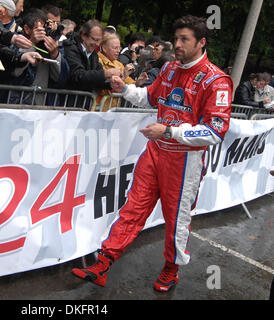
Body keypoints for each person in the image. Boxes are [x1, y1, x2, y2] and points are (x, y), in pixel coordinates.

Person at [72, 15, 233, 292]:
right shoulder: (170, 68)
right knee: (133, 208)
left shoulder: (216, 80)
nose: (178, 45)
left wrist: (170, 132)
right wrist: (125, 90)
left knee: (176, 218)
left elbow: (215, 132)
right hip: (155, 151)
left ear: (201, 42)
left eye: (185, 40)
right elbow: (149, 97)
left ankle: (171, 269)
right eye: (177, 38)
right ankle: (104, 263)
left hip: (184, 161)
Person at [63, 19, 121, 109]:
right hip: (66, 106)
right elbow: (78, 75)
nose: (97, 44)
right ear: (83, 36)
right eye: (95, 39)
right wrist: (106, 73)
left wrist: (112, 83)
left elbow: (98, 80)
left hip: (84, 106)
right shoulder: (71, 48)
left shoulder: (93, 54)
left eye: (99, 41)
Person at [96, 33, 136, 110]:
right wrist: (124, 76)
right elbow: (104, 89)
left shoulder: (119, 64)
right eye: (115, 48)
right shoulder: (98, 61)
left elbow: (129, 84)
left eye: (119, 48)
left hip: (113, 109)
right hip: (98, 108)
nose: (118, 51)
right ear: (104, 48)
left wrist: (138, 82)